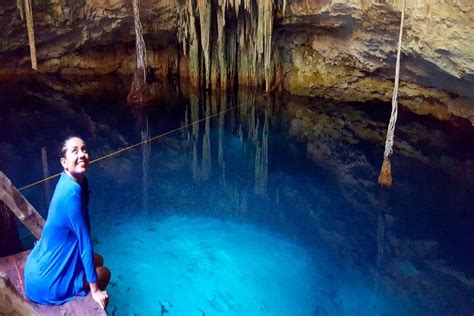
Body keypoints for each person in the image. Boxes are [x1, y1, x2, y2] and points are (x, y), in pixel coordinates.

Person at [24, 136, 111, 309]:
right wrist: (95, 290)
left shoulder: (69, 181)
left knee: (98, 259)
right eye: (75, 151)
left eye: (84, 149)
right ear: (64, 162)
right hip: (47, 282)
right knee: (104, 273)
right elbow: (85, 243)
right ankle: (81, 289)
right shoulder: (71, 195)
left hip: (35, 269)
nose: (82, 154)